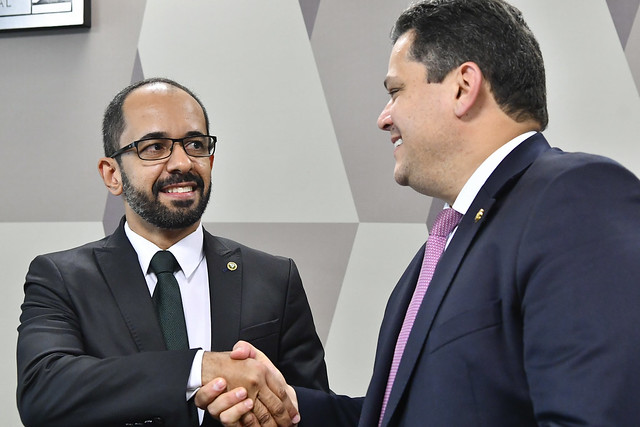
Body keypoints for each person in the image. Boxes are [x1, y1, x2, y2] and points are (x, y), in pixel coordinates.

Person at [202, 0, 640, 425]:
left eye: (396, 91)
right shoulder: (449, 239)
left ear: (463, 87)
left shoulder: (574, 196)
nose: (384, 118)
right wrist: (289, 409)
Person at [16, 77, 329, 427]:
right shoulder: (61, 278)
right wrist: (199, 368)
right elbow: (42, 392)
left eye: (195, 144)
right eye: (154, 147)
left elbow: (314, 410)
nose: (182, 163)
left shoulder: (274, 277)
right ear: (112, 174)